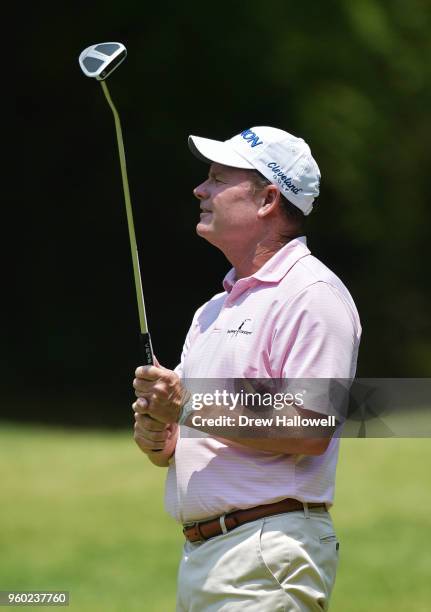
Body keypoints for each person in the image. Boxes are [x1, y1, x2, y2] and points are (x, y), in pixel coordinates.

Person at [132, 126, 361, 611]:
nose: (200, 189)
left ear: (267, 200)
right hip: (206, 555)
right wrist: (162, 435)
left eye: (217, 178)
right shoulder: (213, 309)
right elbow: (192, 433)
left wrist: (189, 407)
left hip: (266, 551)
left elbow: (310, 427)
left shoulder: (312, 295)